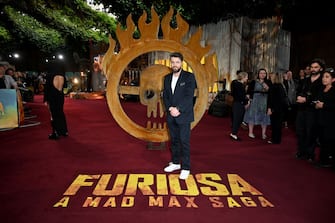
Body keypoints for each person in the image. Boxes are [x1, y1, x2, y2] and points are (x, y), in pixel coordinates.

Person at [162, 52, 196, 180]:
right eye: (173, 62)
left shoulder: (189, 77)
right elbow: (165, 96)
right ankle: (176, 163)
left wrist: (178, 109)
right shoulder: (166, 78)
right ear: (170, 63)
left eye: (177, 62)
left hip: (184, 115)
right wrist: (170, 108)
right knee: (174, 141)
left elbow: (189, 97)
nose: (175, 64)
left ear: (182, 62)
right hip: (171, 114)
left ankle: (186, 167)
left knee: (184, 141)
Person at [295, 58, 325, 161]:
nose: (313, 69)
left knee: (310, 132)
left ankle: (310, 153)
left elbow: (320, 96)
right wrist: (299, 97)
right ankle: (301, 151)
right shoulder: (306, 80)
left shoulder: (322, 81)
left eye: (316, 67)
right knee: (300, 131)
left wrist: (306, 99)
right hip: (301, 109)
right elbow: (299, 90)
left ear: (320, 68)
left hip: (313, 111)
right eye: (312, 67)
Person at [314, 68, 335, 167]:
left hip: (330, 121)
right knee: (322, 140)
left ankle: (325, 161)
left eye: (327, 77)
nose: (324, 79)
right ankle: (323, 159)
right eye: (323, 77)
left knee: (328, 141)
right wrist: (316, 105)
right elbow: (317, 102)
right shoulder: (321, 90)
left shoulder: (334, 91)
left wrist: (324, 105)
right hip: (320, 119)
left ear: (333, 79)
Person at [243, 68, 271, 139]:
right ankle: (250, 132)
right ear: (258, 74)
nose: (262, 74)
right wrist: (248, 101)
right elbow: (248, 92)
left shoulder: (268, 81)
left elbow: (270, 90)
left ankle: (263, 134)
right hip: (255, 100)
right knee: (252, 116)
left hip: (264, 101)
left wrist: (262, 83)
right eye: (261, 73)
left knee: (264, 117)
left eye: (264, 73)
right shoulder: (253, 82)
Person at [43, 66, 68, 140]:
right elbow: (65, 86)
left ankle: (55, 133)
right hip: (60, 96)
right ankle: (64, 131)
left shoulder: (49, 75)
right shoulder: (62, 75)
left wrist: (45, 99)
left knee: (53, 114)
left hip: (52, 96)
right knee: (60, 112)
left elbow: (47, 88)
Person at [267, 72, 287, 144]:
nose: (270, 77)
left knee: (275, 125)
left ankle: (274, 139)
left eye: (272, 76)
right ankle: (277, 140)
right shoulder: (281, 86)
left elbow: (271, 99)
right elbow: (283, 99)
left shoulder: (273, 86)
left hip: (275, 109)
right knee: (278, 125)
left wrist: (270, 108)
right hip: (281, 109)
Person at [229, 71, 249, 141]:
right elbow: (241, 96)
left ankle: (234, 133)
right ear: (243, 77)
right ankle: (233, 134)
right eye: (246, 77)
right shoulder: (240, 85)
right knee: (237, 119)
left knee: (237, 119)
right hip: (239, 104)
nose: (247, 78)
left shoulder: (235, 83)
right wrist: (247, 99)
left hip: (236, 103)